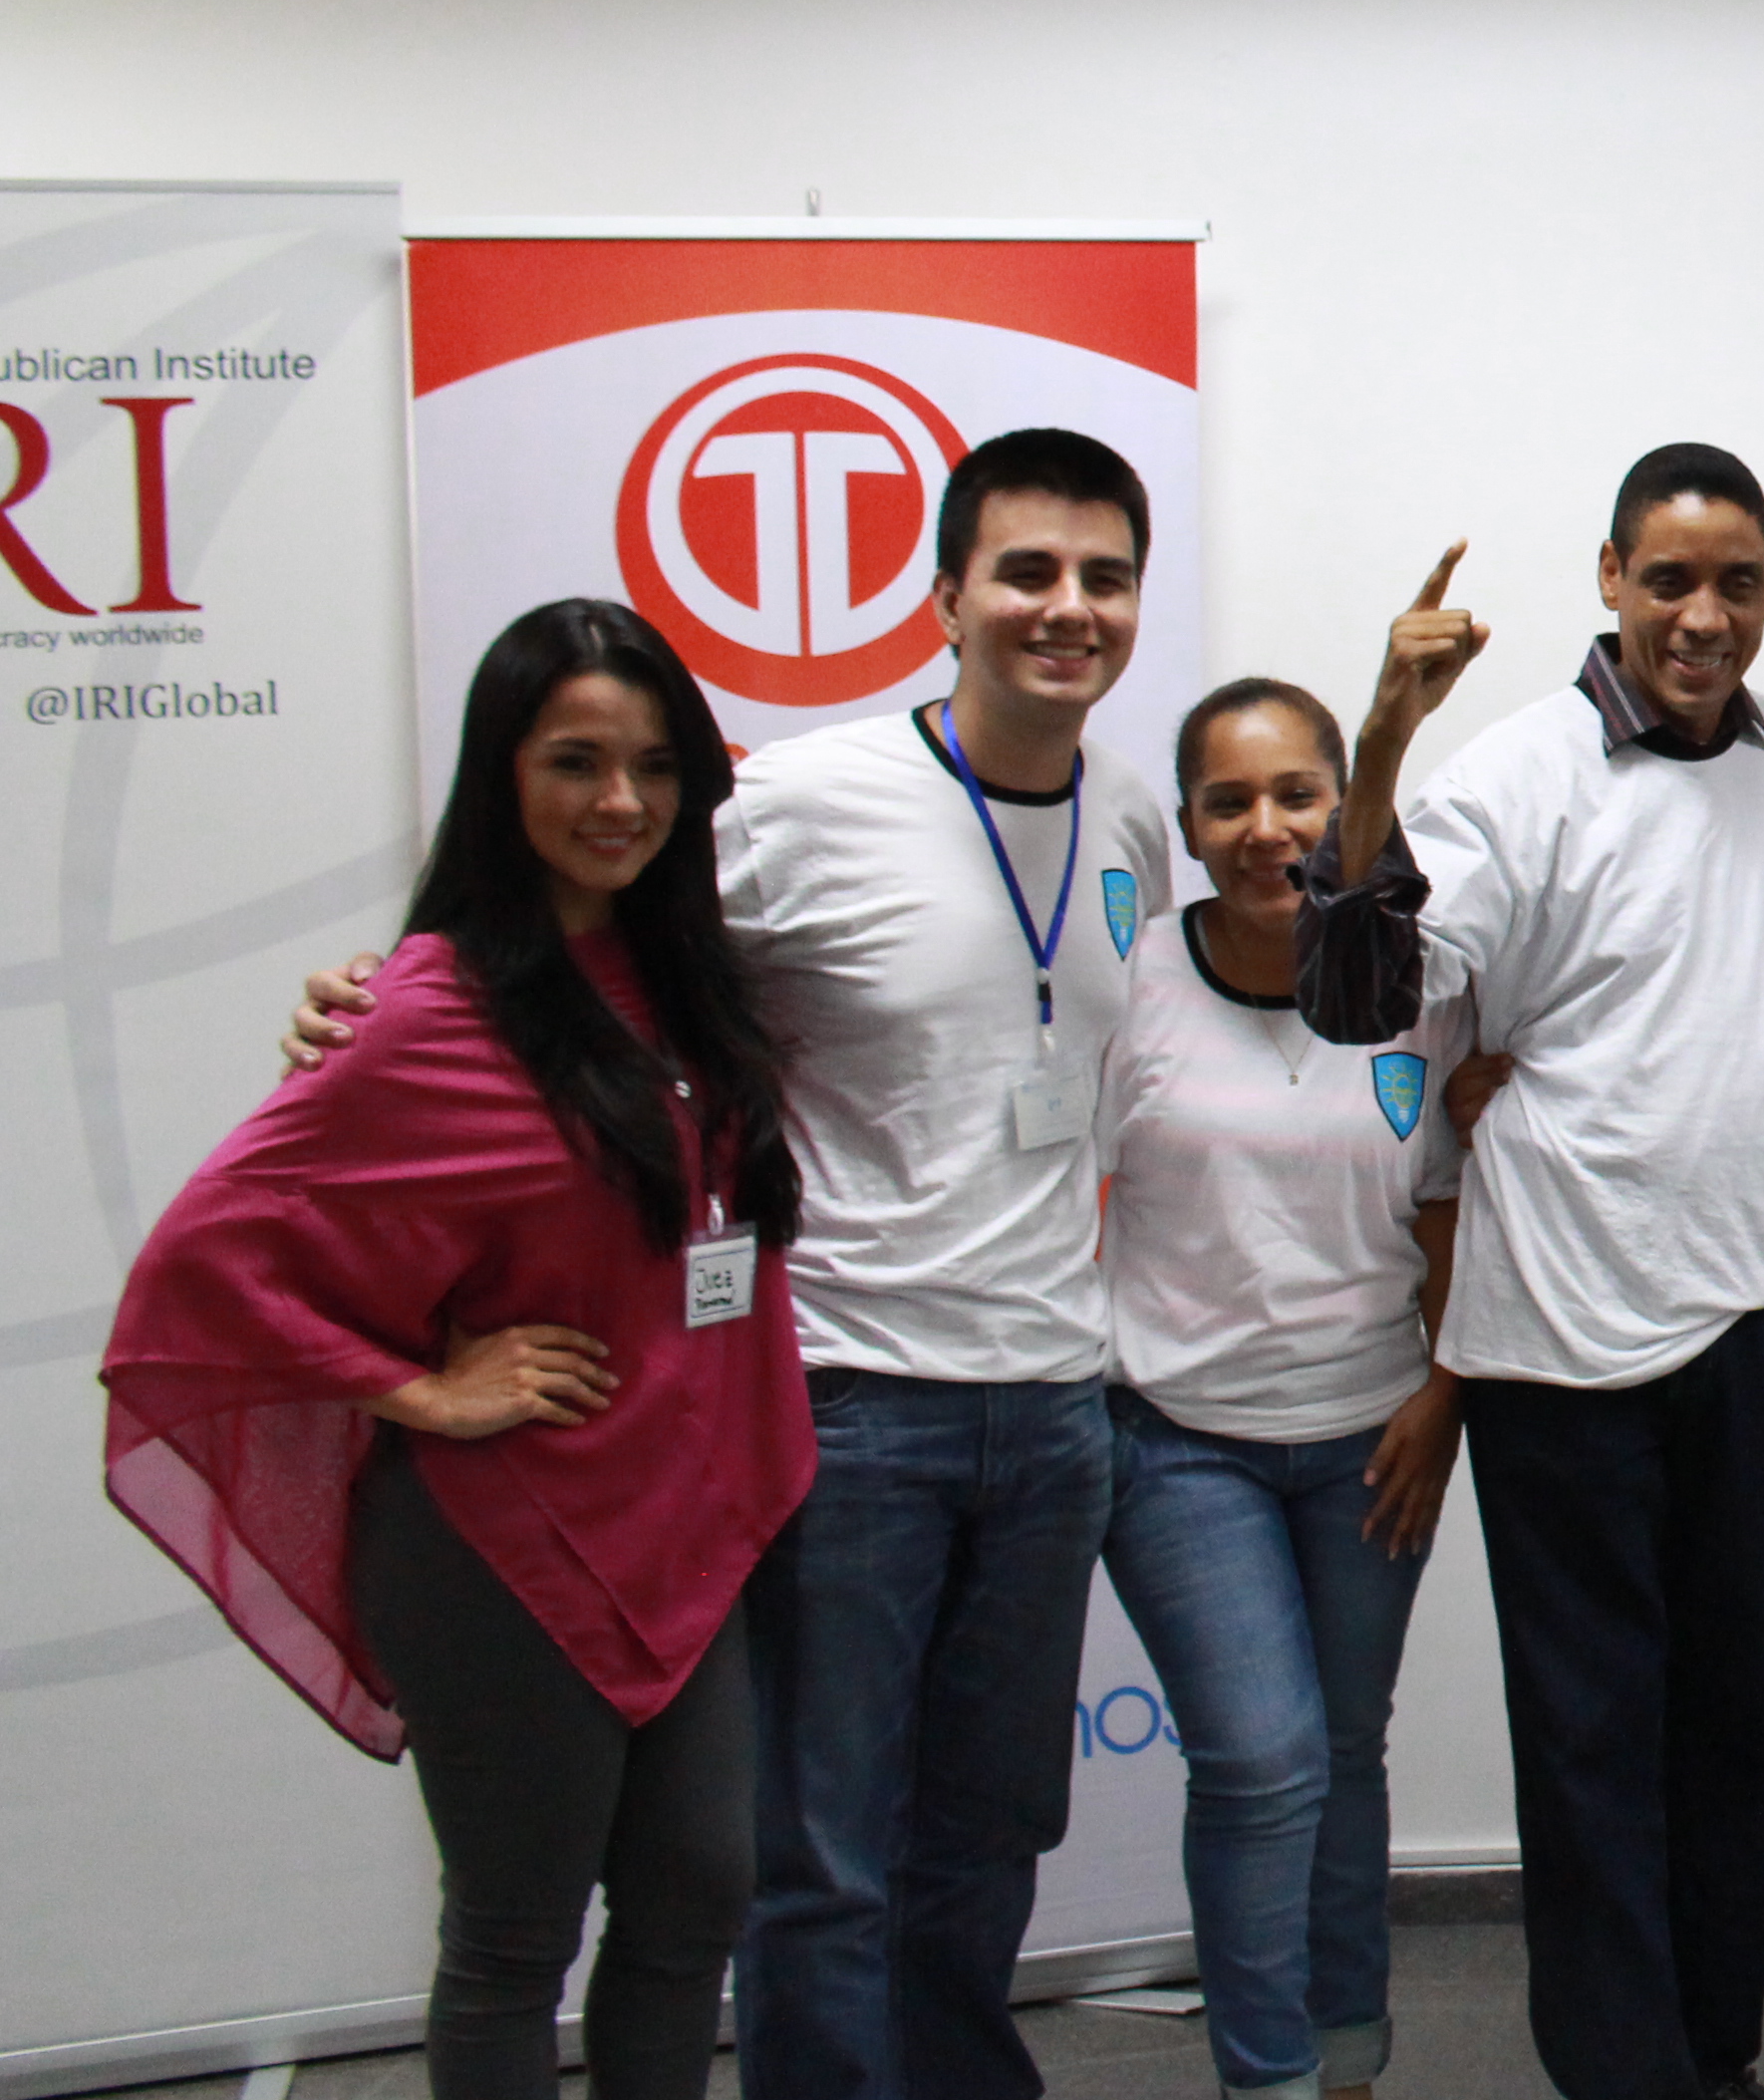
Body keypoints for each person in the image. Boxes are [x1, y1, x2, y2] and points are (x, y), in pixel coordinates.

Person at [309, 430, 1181, 2100]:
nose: (1065, 608)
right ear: (945, 596)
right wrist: (382, 991)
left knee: (991, 1835)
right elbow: (571, 921)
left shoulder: (1127, 806)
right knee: (825, 1858)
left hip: (1054, 1408)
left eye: (1103, 577)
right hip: (849, 1403)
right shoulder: (801, 797)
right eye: (1026, 571)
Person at [113, 601, 808, 2100]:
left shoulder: (690, 972)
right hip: (504, 1543)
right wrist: (422, 1387)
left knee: (697, 1897)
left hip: (684, 1519)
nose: (619, 802)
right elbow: (202, 1263)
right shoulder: (420, 1011)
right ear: (500, 777)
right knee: (514, 1934)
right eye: (573, 761)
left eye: (654, 767)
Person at [1296, 447, 1764, 2100]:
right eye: (1672, 580)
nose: (1705, 616)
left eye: (1739, 582)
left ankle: (1715, 2055)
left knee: (1736, 1739)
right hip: (1555, 1334)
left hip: (1749, 1317)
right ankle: (1626, 2077)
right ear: (1611, 578)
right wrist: (1384, 737)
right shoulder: (1516, 774)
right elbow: (1360, 996)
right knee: (1588, 1743)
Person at [1099, 677, 1474, 2100]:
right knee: (1261, 1762)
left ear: (1347, 811)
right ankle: (1267, 2079)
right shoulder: (1127, 984)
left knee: (1346, 1754)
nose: (1267, 829)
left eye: (1297, 795)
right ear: (1187, 827)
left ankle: (1351, 2056)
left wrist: (1444, 1398)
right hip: (1180, 1445)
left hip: (1375, 1437)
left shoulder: (1414, 986)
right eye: (1230, 801)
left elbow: (1442, 1207)